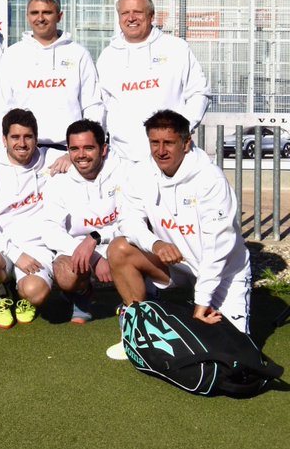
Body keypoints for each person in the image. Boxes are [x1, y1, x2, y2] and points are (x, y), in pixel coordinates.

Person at [105, 109, 250, 359]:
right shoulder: (140, 173)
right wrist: (155, 243)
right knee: (119, 249)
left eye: (169, 143)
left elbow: (219, 248)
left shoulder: (209, 179)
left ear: (186, 143)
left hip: (224, 272)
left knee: (234, 353)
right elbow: (127, 220)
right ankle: (139, 332)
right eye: (155, 142)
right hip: (177, 266)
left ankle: (190, 310)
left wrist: (201, 304)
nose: (161, 150)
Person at [96, 0, 210, 163]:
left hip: (171, 158)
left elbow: (199, 92)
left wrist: (182, 130)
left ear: (151, 16)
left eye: (138, 12)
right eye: (125, 13)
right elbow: (101, 107)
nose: (131, 18)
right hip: (123, 159)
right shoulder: (107, 57)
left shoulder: (176, 48)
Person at [0, 108, 54, 330]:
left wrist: (68, 157)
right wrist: (16, 255)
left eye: (28, 137)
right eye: (15, 137)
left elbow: (84, 155)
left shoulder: (50, 158)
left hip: (37, 247)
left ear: (36, 138)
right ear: (4, 139)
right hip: (1, 244)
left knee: (35, 294)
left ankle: (22, 293)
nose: (22, 143)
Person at [0, 0, 102, 149]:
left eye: (47, 12)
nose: (40, 18)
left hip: (68, 151)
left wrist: (87, 147)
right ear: (27, 16)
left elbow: (92, 105)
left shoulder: (78, 54)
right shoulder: (12, 55)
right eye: (34, 13)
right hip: (24, 150)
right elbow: (2, 107)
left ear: (59, 16)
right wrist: (2, 147)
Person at [40, 119, 122, 324]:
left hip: (116, 243)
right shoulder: (58, 181)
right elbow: (50, 230)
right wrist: (92, 256)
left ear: (103, 149)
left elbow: (133, 221)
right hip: (81, 250)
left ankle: (134, 301)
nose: (81, 155)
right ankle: (82, 293)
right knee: (65, 274)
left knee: (134, 247)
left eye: (88, 148)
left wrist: (97, 239)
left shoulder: (122, 172)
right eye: (74, 149)